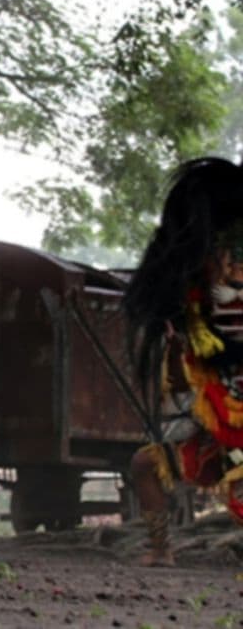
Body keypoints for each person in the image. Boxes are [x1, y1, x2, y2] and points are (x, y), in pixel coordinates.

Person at [126, 157, 243, 567]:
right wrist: (176, 353)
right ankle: (160, 549)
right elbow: (180, 387)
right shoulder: (197, 317)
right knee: (145, 464)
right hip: (218, 432)